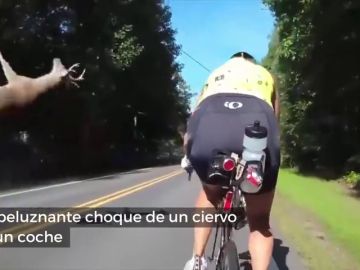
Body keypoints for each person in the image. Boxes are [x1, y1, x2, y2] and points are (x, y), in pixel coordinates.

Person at [182, 51, 281, 270]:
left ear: (231, 61)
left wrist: (188, 154)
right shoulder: (265, 74)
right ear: (252, 63)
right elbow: (275, 116)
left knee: (210, 193)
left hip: (210, 123)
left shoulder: (216, 74)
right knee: (260, 221)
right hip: (257, 127)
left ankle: (197, 261)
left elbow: (195, 115)